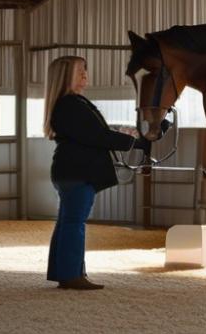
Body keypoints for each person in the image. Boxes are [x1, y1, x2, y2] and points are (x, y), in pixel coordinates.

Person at [44, 55, 151, 290]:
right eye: (79, 71)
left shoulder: (73, 104)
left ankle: (64, 272)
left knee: (67, 222)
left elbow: (94, 132)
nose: (85, 75)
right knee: (74, 222)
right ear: (65, 76)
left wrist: (121, 134)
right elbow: (97, 137)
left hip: (70, 170)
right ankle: (72, 275)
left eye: (85, 70)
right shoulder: (71, 105)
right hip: (77, 171)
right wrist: (135, 143)